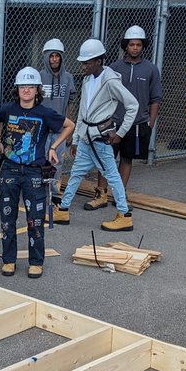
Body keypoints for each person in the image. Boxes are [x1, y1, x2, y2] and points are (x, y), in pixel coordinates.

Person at [0, 66, 74, 279]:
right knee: (7, 219)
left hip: (34, 172)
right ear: (17, 88)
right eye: (23, 86)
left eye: (30, 86)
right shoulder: (8, 109)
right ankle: (9, 260)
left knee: (35, 220)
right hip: (9, 169)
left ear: (38, 90)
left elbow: (69, 125)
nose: (26, 90)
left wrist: (54, 146)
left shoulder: (44, 113)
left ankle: (36, 261)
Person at [54, 39, 138, 233]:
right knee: (75, 173)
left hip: (100, 138)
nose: (83, 66)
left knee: (112, 175)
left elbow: (132, 104)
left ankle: (124, 215)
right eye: (83, 62)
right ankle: (64, 209)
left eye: (87, 62)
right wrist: (76, 139)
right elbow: (83, 112)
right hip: (86, 138)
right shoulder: (87, 79)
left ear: (99, 61)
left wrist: (121, 132)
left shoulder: (110, 80)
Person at [87, 25, 162, 210]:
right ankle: (101, 194)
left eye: (138, 44)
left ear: (143, 46)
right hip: (112, 123)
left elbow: (155, 99)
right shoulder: (114, 68)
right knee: (105, 159)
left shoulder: (151, 69)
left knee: (127, 159)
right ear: (125, 46)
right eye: (131, 44)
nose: (135, 48)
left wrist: (150, 122)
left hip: (136, 124)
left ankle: (119, 195)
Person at [39, 38, 76, 198]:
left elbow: (71, 103)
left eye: (57, 56)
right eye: (51, 56)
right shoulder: (39, 76)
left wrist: (70, 132)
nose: (54, 59)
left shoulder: (68, 78)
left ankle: (54, 194)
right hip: (42, 129)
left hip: (60, 129)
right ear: (46, 57)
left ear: (61, 57)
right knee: (41, 161)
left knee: (57, 163)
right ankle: (39, 190)